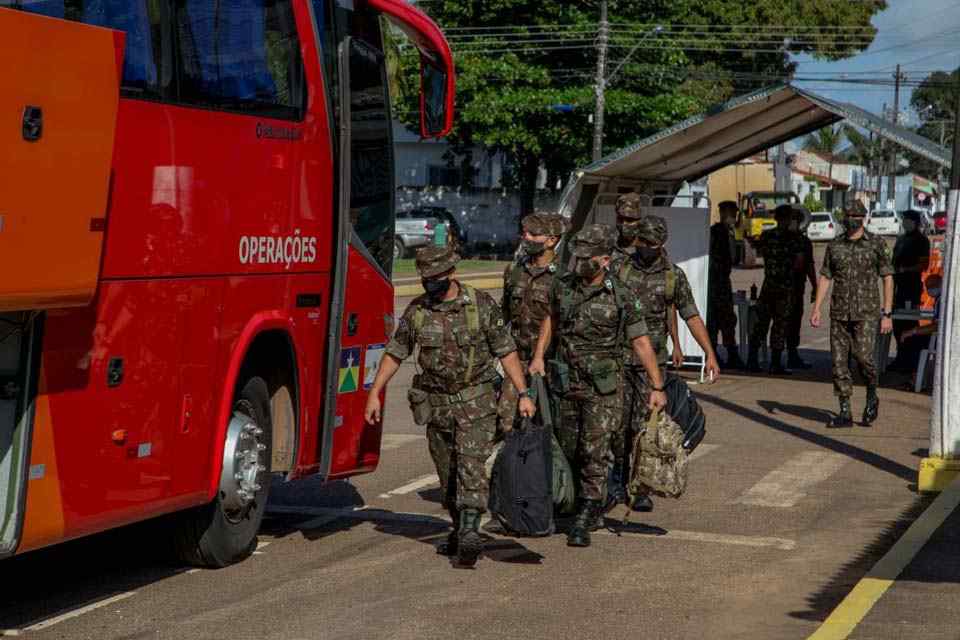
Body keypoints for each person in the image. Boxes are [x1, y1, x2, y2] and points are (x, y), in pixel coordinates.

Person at [364, 244, 536, 567]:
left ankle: (470, 531)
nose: (431, 283)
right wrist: (375, 392)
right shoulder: (417, 311)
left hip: (476, 401)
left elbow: (507, 352)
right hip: (437, 407)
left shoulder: (480, 305)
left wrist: (523, 393)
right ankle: (459, 527)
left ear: (451, 273)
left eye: (437, 277)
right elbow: (396, 352)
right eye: (426, 278)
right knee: (449, 474)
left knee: (471, 465)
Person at [529, 224, 666, 548]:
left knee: (596, 451)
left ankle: (585, 517)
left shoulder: (621, 294)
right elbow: (551, 319)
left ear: (605, 259)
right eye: (577, 256)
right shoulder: (564, 287)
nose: (580, 262)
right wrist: (538, 356)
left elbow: (642, 343)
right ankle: (576, 503)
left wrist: (657, 386)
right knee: (570, 447)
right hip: (566, 382)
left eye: (587, 257)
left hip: (603, 388)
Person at [610, 215, 720, 513]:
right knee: (614, 426)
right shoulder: (619, 268)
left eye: (654, 244)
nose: (648, 249)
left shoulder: (673, 276)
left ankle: (640, 487)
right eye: (644, 243)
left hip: (652, 364)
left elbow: (690, 314)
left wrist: (709, 352)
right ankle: (614, 482)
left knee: (647, 428)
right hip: (616, 358)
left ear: (662, 243)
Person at [811, 207, 894, 427]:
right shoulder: (835, 245)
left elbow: (887, 277)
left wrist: (887, 313)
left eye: (856, 217)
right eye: (848, 217)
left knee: (864, 358)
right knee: (839, 363)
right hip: (839, 313)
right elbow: (826, 277)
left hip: (866, 313)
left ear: (863, 218)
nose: (852, 220)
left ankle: (871, 395)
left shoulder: (876, 243)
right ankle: (845, 411)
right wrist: (817, 307)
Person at [499, 212, 567, 427]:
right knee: (506, 418)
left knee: (550, 421)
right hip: (516, 358)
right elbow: (504, 314)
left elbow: (559, 319)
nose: (526, 237)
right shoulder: (514, 271)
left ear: (552, 240)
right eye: (525, 232)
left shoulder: (565, 276)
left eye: (534, 234)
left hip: (551, 362)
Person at [747, 205, 806, 374]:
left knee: (760, 324)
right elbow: (800, 263)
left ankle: (752, 361)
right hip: (785, 288)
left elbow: (757, 248)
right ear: (788, 219)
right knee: (780, 325)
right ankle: (775, 364)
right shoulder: (795, 238)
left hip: (768, 286)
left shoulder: (767, 235)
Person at [888, 210, 931, 372]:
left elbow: (923, 265)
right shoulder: (901, 239)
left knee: (909, 322)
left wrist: (905, 269)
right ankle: (900, 358)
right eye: (904, 219)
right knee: (897, 324)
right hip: (898, 286)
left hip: (911, 288)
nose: (905, 222)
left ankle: (910, 361)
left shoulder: (922, 241)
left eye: (907, 219)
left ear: (915, 222)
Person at [708, 201, 745, 369]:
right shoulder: (715, 232)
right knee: (716, 321)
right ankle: (715, 354)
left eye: (734, 214)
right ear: (723, 213)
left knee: (727, 320)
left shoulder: (731, 232)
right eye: (731, 213)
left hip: (723, 281)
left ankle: (731, 354)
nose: (734, 217)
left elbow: (737, 258)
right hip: (715, 282)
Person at [785, 207, 817, 369]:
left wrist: (815, 286)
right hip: (788, 289)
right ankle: (787, 357)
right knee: (787, 322)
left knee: (792, 322)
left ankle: (790, 355)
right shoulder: (798, 241)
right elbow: (804, 265)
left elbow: (809, 265)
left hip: (793, 289)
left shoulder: (803, 241)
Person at [898, 273, 941, 377]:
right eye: (928, 287)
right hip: (936, 335)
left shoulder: (942, 301)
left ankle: (915, 377)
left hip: (938, 338)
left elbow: (937, 326)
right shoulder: (938, 300)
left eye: (932, 286)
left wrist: (913, 331)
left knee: (913, 341)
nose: (929, 289)